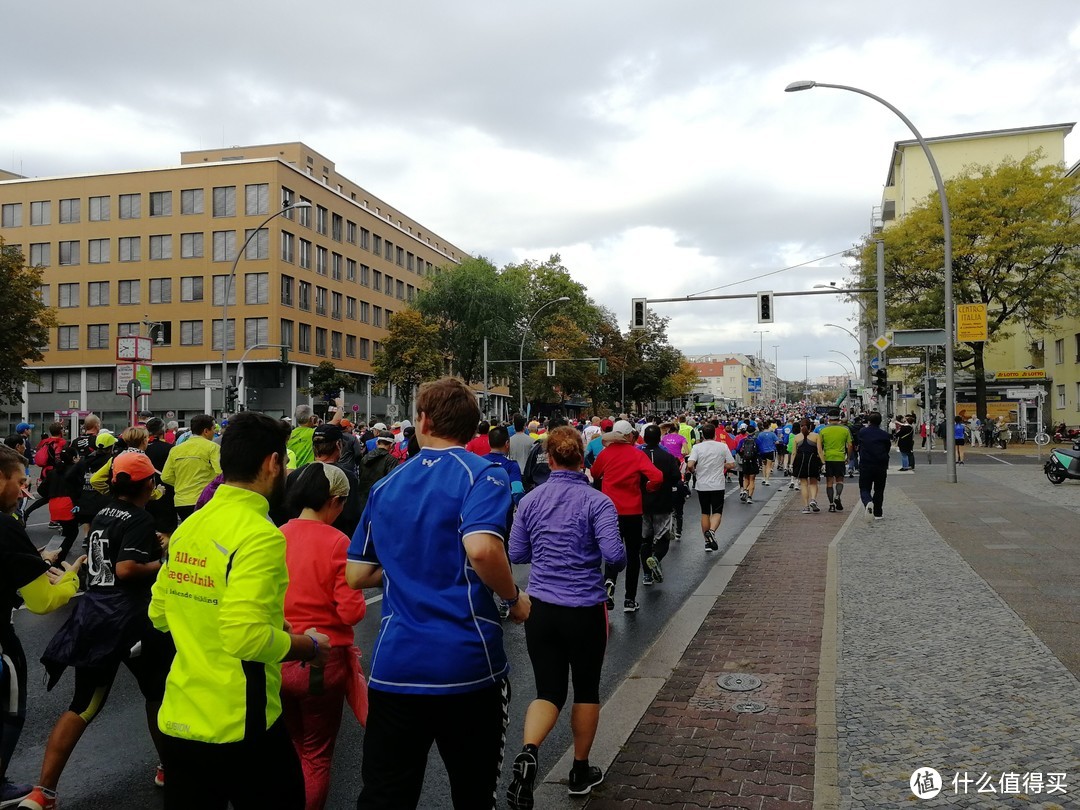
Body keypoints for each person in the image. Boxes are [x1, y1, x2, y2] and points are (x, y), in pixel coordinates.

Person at [345, 377, 528, 810]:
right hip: (467, 664)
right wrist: (514, 598)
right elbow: (482, 548)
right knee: (473, 791)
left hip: (396, 666)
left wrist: (407, 562)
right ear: (473, 424)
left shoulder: (387, 484)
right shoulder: (483, 474)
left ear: (423, 420)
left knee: (386, 795)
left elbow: (357, 573)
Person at [150, 412, 329, 809]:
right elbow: (245, 636)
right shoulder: (260, 535)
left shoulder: (191, 525)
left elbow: (159, 614)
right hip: (241, 724)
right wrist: (309, 646)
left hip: (180, 717)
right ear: (272, 463)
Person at [20, 453, 174, 810]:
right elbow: (127, 569)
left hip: (94, 615)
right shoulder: (139, 519)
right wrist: (162, 559)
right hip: (133, 619)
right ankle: (168, 767)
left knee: (84, 704)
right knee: (158, 693)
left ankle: (44, 791)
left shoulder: (103, 512)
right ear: (148, 485)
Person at [505, 427, 625, 807]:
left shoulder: (530, 501)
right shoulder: (598, 502)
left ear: (550, 460)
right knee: (586, 688)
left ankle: (528, 751)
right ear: (581, 459)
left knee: (549, 691)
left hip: (542, 607)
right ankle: (579, 770)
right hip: (585, 609)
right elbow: (616, 555)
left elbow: (517, 552)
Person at [279, 463, 368, 810]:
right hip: (321, 662)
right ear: (333, 500)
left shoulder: (277, 533)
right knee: (316, 755)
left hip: (279, 654)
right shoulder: (337, 542)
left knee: (293, 746)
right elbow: (351, 612)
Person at [0, 445, 84, 808]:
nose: (24, 491)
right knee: (9, 711)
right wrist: (70, 579)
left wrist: (31, 562)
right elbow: (42, 602)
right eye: (19, 482)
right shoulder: (6, 525)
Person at [590, 420, 662, 613]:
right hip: (632, 511)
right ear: (630, 436)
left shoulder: (606, 453)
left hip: (609, 511)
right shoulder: (637, 454)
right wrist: (648, 487)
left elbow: (595, 473)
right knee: (632, 554)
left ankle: (609, 581)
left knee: (611, 551)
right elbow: (657, 476)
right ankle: (629, 599)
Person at [638, 425, 682, 586]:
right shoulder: (668, 457)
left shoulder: (638, 455)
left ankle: (647, 575)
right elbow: (677, 476)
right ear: (659, 439)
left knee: (645, 539)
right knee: (663, 538)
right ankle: (656, 558)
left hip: (642, 503)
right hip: (663, 502)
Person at [160, 415, 221, 523]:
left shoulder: (176, 450)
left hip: (181, 502)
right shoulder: (212, 447)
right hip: (204, 500)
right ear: (206, 431)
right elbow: (220, 473)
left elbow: (165, 476)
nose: (214, 432)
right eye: (213, 429)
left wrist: (182, 482)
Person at [685, 424, 736, 553]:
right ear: (715, 434)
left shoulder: (697, 447)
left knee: (705, 512)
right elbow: (732, 464)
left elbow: (690, 464)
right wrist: (721, 464)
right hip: (718, 484)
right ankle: (712, 532)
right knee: (717, 512)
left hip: (702, 484)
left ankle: (707, 542)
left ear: (702, 435)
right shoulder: (722, 446)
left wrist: (694, 470)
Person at [856, 412, 892, 521]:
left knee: (864, 488)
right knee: (879, 489)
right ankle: (878, 513)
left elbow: (859, 444)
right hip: (881, 465)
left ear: (869, 421)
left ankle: (868, 502)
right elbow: (887, 448)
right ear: (880, 422)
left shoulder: (863, 432)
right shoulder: (885, 435)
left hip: (866, 464)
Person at [818, 410, 853, 513]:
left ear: (828, 419)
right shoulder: (845, 430)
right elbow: (850, 445)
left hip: (828, 458)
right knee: (840, 480)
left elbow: (820, 447)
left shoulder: (823, 430)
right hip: (840, 458)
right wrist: (848, 457)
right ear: (839, 418)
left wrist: (822, 460)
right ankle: (838, 495)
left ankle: (831, 505)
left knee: (829, 482)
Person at [791, 419, 825, 514]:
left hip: (800, 460)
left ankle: (806, 507)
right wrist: (823, 462)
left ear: (800, 427)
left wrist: (791, 464)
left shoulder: (797, 437)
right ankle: (813, 499)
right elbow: (819, 451)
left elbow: (794, 452)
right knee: (813, 482)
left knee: (803, 484)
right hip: (812, 460)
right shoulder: (816, 436)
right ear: (810, 427)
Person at [735, 425, 760, 504]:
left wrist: (742, 455)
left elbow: (738, 449)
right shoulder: (756, 440)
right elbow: (761, 450)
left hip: (745, 460)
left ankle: (745, 490)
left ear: (747, 432)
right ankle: (749, 497)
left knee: (745, 478)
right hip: (753, 461)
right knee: (752, 480)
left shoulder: (743, 440)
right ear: (754, 432)